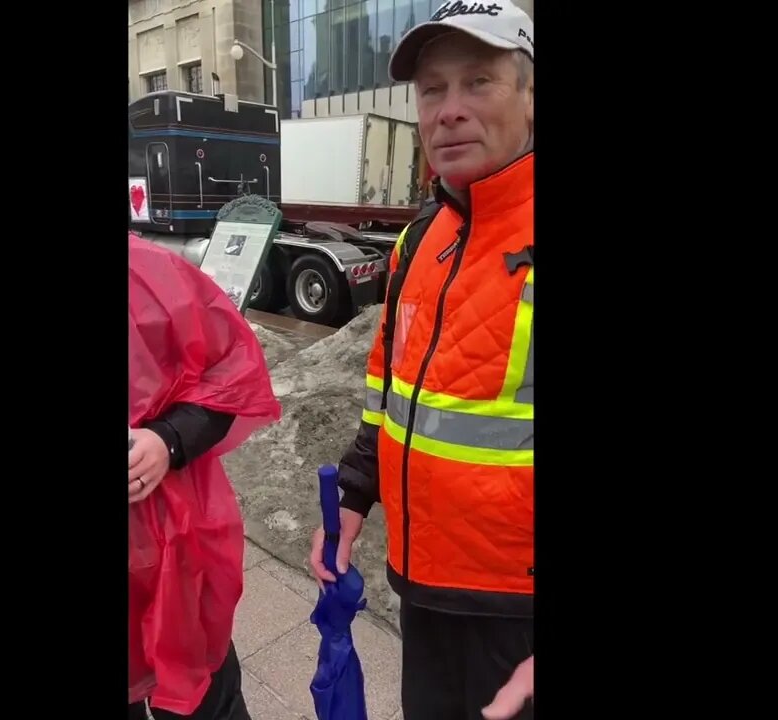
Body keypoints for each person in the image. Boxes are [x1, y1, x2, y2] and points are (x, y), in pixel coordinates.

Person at [307, 3, 536, 719]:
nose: (450, 111)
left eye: (479, 81)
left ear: (530, 96)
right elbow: (390, 395)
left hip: (517, 617)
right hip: (424, 586)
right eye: (433, 89)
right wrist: (350, 497)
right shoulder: (419, 241)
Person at [129, 234, 281, 720]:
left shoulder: (156, 275)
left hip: (174, 543)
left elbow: (230, 372)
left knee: (204, 691)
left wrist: (167, 439)